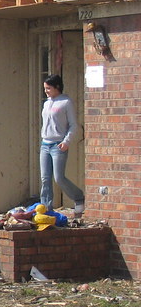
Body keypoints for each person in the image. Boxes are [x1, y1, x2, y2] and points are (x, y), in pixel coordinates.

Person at [40, 74, 85, 217]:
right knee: (45, 178)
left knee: (58, 177)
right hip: (45, 143)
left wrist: (66, 141)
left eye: (49, 88)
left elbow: (73, 125)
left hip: (58, 144)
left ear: (57, 87)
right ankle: (46, 208)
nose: (46, 91)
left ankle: (78, 198)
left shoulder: (66, 102)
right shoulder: (46, 103)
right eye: (45, 88)